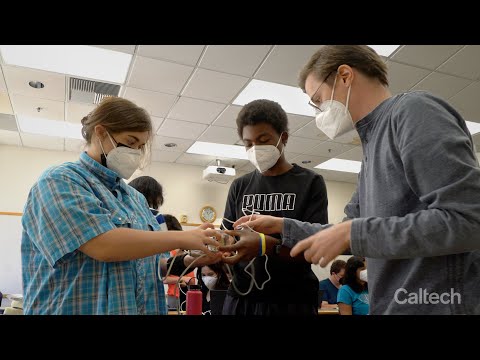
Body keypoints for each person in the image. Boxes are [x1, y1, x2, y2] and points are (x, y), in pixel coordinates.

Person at [229, 45, 480, 315]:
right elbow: (347, 233)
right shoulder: (372, 145)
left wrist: (352, 232)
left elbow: (469, 220)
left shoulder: (414, 112)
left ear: (345, 76)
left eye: (319, 99)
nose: (320, 113)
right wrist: (283, 226)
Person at [21, 96, 220, 315]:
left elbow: (148, 266)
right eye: (130, 141)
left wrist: (190, 260)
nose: (135, 152)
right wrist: (184, 237)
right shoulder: (60, 181)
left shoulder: (135, 198)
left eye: (141, 146)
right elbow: (103, 245)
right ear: (101, 132)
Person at [220, 99, 329, 315]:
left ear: (283, 137)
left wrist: (266, 245)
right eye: (248, 143)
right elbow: (228, 236)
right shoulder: (240, 185)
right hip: (242, 297)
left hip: (292, 300)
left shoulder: (310, 183)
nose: (255, 149)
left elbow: (316, 248)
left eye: (263, 140)